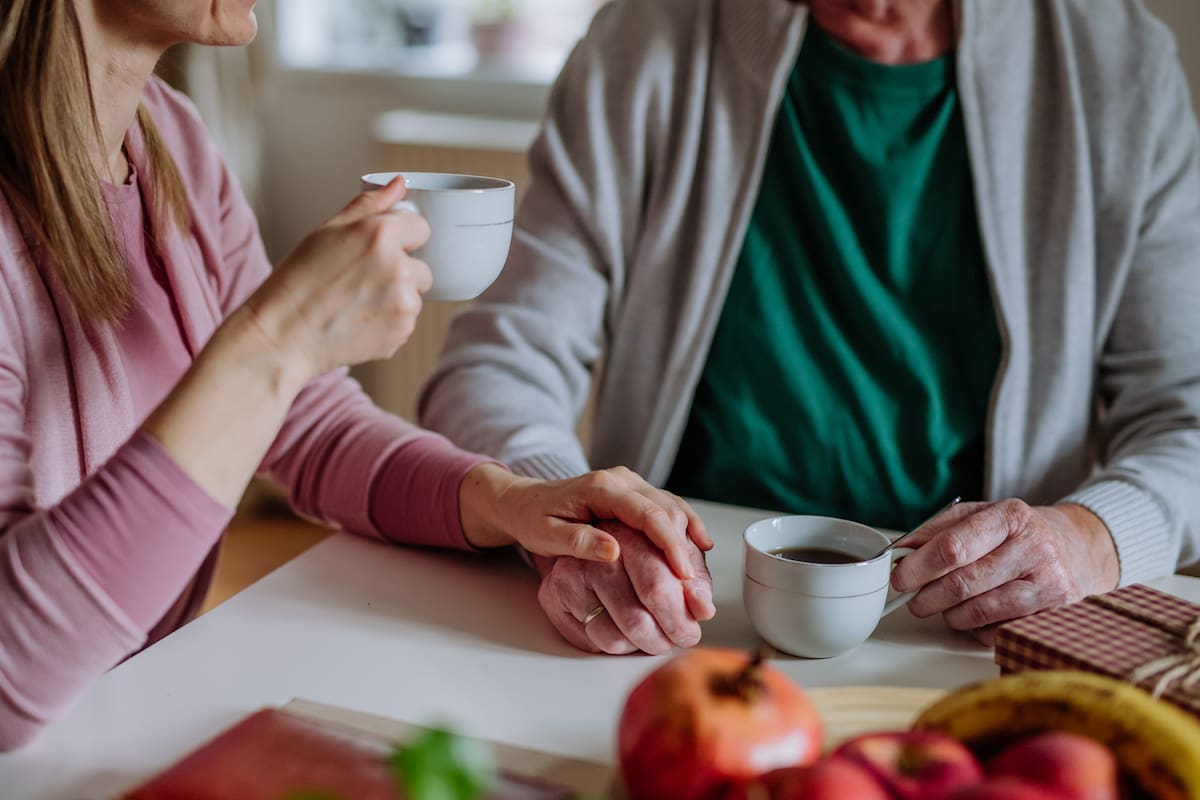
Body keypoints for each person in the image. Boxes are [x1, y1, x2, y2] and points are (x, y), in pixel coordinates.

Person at [0, 0, 715, 751]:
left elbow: (308, 424)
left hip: (120, 720)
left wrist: (507, 499)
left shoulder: (168, 135)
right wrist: (278, 340)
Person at [420, 0, 1200, 654]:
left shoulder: (1120, 67)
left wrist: (1091, 538)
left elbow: (1185, 416)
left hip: (973, 639)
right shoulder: (646, 38)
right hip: (681, 617)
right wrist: (570, 520)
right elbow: (495, 364)